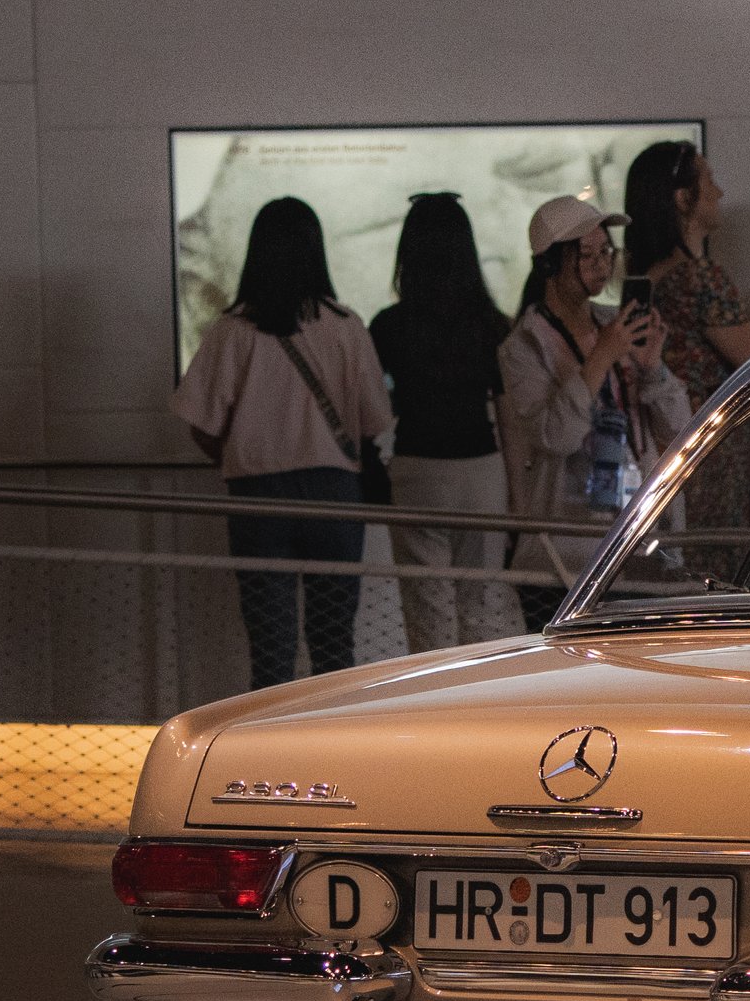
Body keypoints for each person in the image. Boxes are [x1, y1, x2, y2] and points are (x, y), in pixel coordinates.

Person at [171, 197, 393, 691]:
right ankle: (335, 753)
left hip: (258, 498)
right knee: (334, 641)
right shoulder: (346, 326)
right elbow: (374, 420)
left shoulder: (232, 331)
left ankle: (267, 754)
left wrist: (240, 454)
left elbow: (200, 424)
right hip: (336, 498)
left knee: (270, 646)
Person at [496, 195, 691, 629]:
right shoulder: (524, 345)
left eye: (607, 251)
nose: (602, 264)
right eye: (588, 254)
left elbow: (679, 427)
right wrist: (600, 358)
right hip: (562, 551)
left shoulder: (616, 324)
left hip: (634, 538)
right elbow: (555, 437)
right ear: (550, 264)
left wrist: (653, 367)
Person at [370, 192, 519, 654]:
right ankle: (477, 715)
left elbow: (376, 409)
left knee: (427, 612)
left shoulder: (389, 325)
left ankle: (431, 714)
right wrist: (517, 495)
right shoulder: (492, 324)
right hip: (483, 472)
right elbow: (509, 416)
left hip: (418, 472)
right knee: (481, 606)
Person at [624, 141, 750, 545]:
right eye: (710, 181)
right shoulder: (699, 278)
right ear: (684, 198)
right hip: (715, 455)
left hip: (670, 447)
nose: (720, 193)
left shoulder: (648, 275)